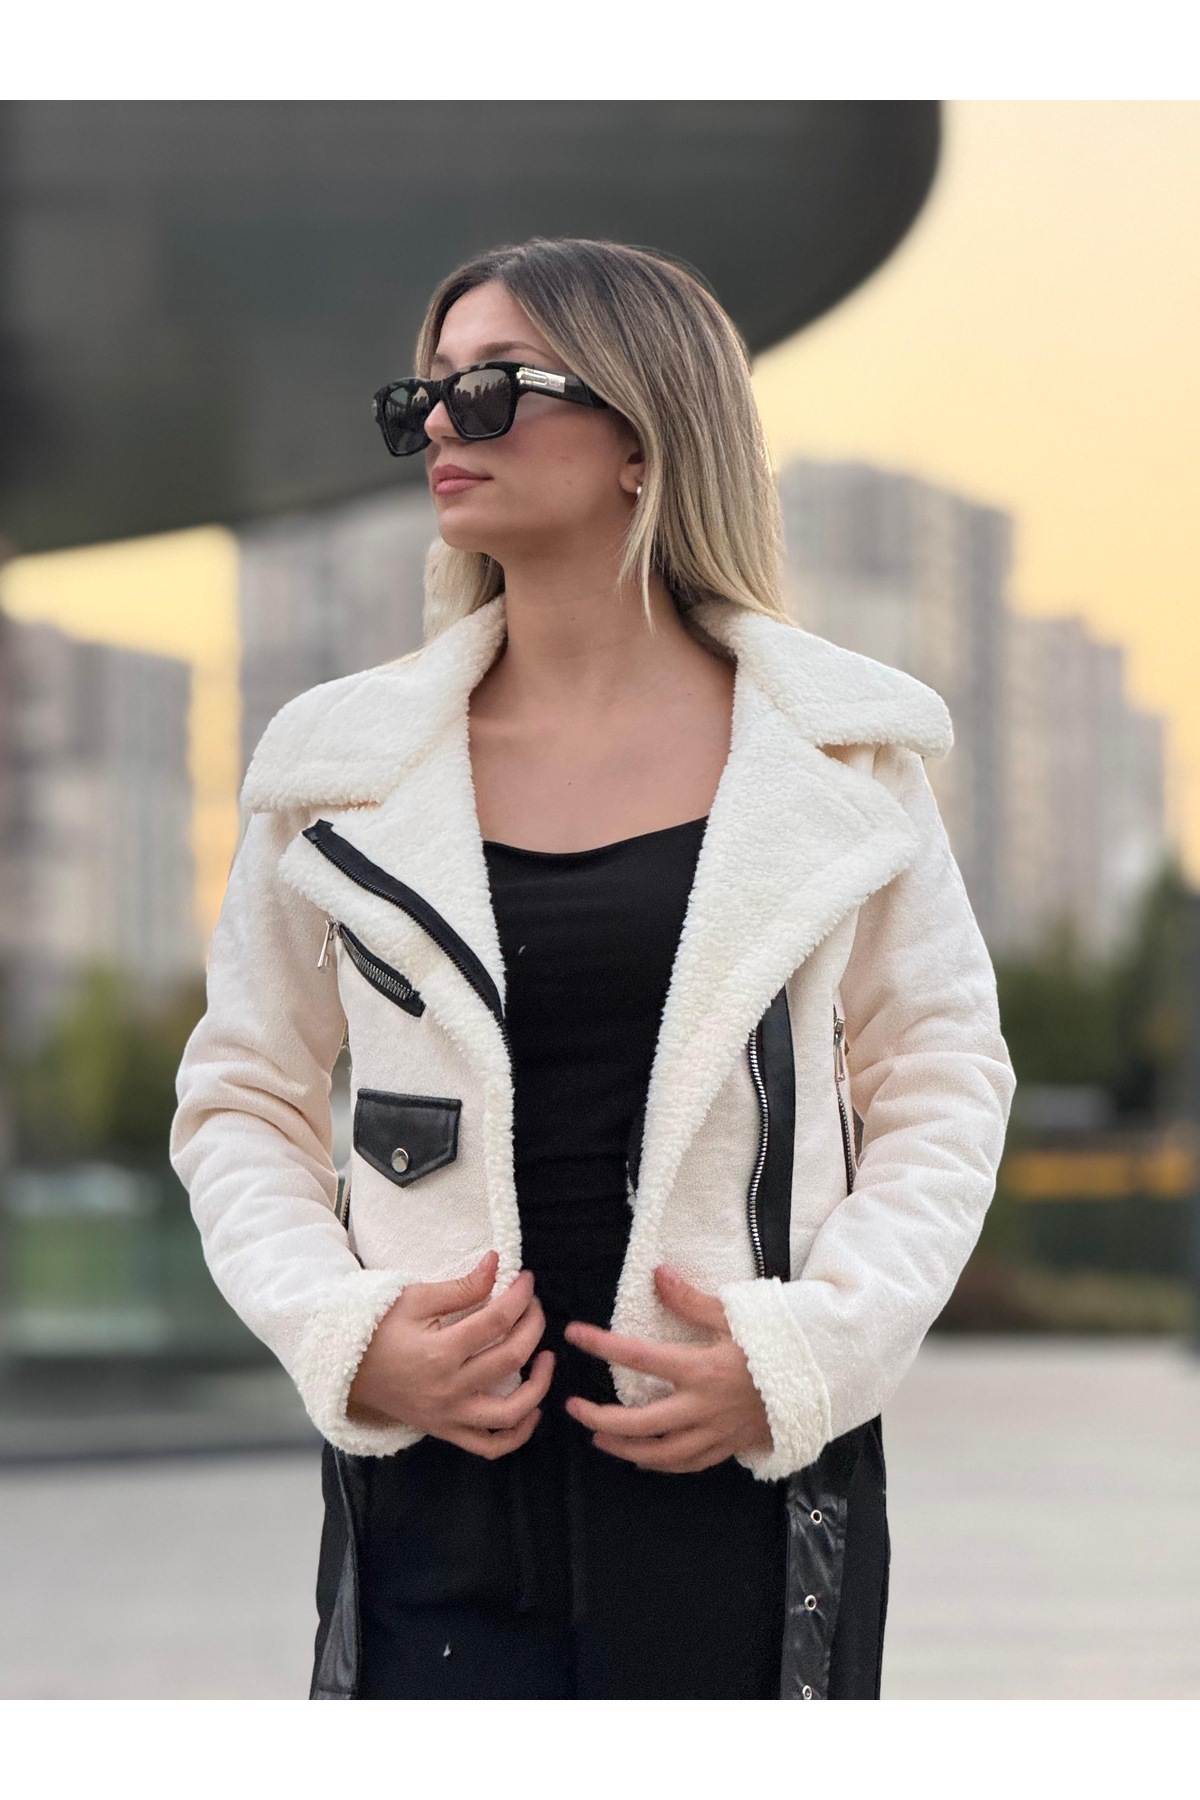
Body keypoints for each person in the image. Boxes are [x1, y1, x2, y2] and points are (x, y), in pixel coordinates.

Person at [170, 236, 1015, 1700]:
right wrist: (344, 1337)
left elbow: (941, 1080)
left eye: (494, 387)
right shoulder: (339, 769)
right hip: (434, 1479)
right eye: (423, 395)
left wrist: (807, 1357)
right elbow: (241, 1096)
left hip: (741, 1477)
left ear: (644, 434)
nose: (443, 425)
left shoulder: (841, 759)